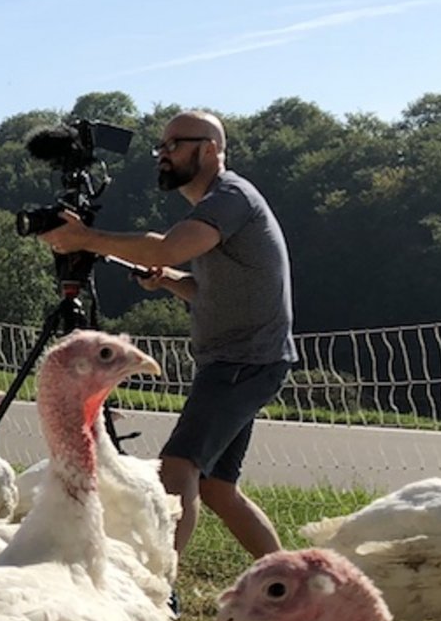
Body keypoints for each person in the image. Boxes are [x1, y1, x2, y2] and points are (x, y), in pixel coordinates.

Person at [40, 109, 296, 564]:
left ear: (211, 149)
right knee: (218, 488)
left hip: (243, 361)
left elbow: (166, 246)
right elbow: (208, 289)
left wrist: (85, 239)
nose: (163, 154)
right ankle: (293, 582)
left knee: (177, 469)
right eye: (161, 146)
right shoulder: (217, 209)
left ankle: (160, 588)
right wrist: (171, 280)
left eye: (175, 144)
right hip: (243, 361)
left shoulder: (230, 198)